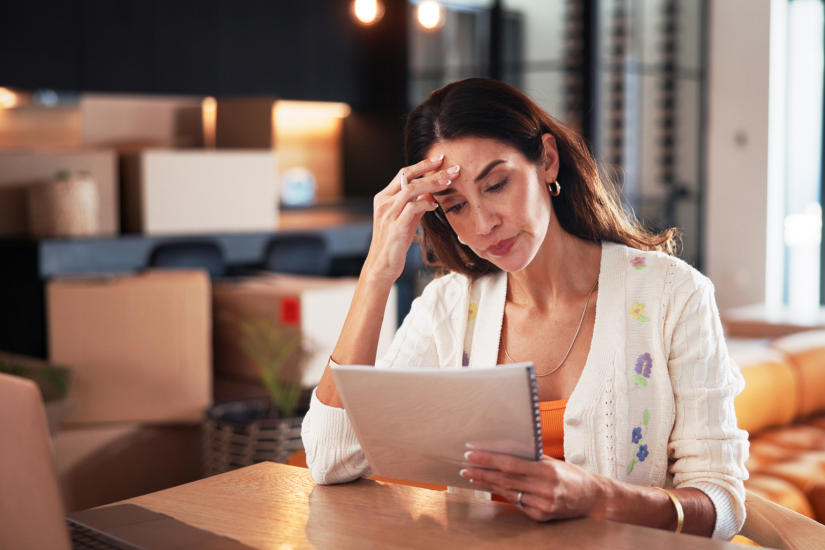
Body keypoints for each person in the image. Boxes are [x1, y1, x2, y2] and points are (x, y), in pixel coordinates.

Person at [301, 78, 748, 540]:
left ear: (547, 161)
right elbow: (331, 457)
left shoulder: (673, 295)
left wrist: (600, 498)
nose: (483, 223)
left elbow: (723, 506)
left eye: (496, 184)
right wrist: (377, 273)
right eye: (455, 207)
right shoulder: (450, 308)